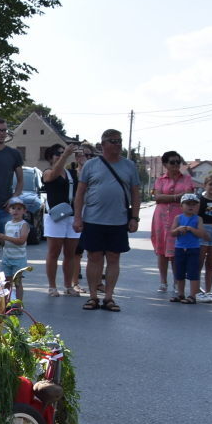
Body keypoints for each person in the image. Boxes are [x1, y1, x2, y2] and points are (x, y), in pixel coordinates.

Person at [72, 128, 141, 312]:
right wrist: (77, 217)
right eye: (113, 141)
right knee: (94, 257)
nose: (117, 145)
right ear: (103, 145)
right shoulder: (91, 165)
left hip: (118, 220)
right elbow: (80, 193)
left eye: (119, 141)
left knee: (113, 257)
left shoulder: (129, 166)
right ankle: (93, 297)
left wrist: (134, 217)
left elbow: (135, 193)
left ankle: (109, 297)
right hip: (93, 219)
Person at [148, 151, 197, 293]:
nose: (176, 164)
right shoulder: (160, 180)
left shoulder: (187, 179)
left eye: (178, 162)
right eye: (172, 162)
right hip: (161, 219)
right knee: (161, 251)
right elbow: (157, 197)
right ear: (165, 164)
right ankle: (163, 281)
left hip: (180, 218)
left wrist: (168, 197)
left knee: (177, 251)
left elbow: (188, 197)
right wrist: (177, 197)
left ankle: (177, 281)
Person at [40, 141, 84, 296]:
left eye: (62, 153)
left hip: (71, 216)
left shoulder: (71, 173)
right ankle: (52, 286)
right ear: (50, 157)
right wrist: (65, 155)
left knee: (70, 253)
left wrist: (82, 158)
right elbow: (52, 176)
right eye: (57, 154)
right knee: (54, 252)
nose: (61, 155)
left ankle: (68, 286)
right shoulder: (47, 172)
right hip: (55, 217)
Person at [168, 193, 208, 304]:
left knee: (193, 272)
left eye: (194, 204)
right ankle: (180, 294)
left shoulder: (198, 219)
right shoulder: (178, 218)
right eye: (188, 204)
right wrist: (178, 229)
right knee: (179, 272)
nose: (191, 206)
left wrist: (191, 229)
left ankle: (193, 295)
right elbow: (172, 233)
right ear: (181, 206)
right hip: (180, 248)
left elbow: (201, 234)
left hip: (193, 248)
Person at [0, 198, 31, 296]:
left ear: (24, 211)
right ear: (9, 210)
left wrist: (5, 237)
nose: (16, 211)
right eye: (13, 208)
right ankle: (7, 302)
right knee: (6, 282)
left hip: (19, 259)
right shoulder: (8, 224)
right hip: (6, 258)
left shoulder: (24, 225)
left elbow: (21, 241)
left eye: (19, 208)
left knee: (18, 283)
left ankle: (18, 304)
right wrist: (0, 238)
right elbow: (5, 243)